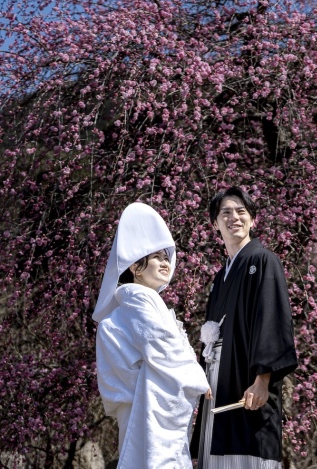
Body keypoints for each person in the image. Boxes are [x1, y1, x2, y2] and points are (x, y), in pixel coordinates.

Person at [93, 202, 211, 468]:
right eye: (156, 257)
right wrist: (198, 378)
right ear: (135, 267)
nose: (165, 263)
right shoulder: (138, 298)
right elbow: (161, 346)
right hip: (146, 408)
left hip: (142, 404)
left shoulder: (132, 303)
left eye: (166, 257)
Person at [191, 187, 298, 469]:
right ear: (214, 224)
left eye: (241, 212)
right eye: (225, 212)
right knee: (214, 454)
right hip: (217, 376)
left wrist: (263, 380)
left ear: (253, 220)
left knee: (247, 452)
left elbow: (273, 321)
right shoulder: (220, 276)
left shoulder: (263, 261)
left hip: (247, 375)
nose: (234, 218)